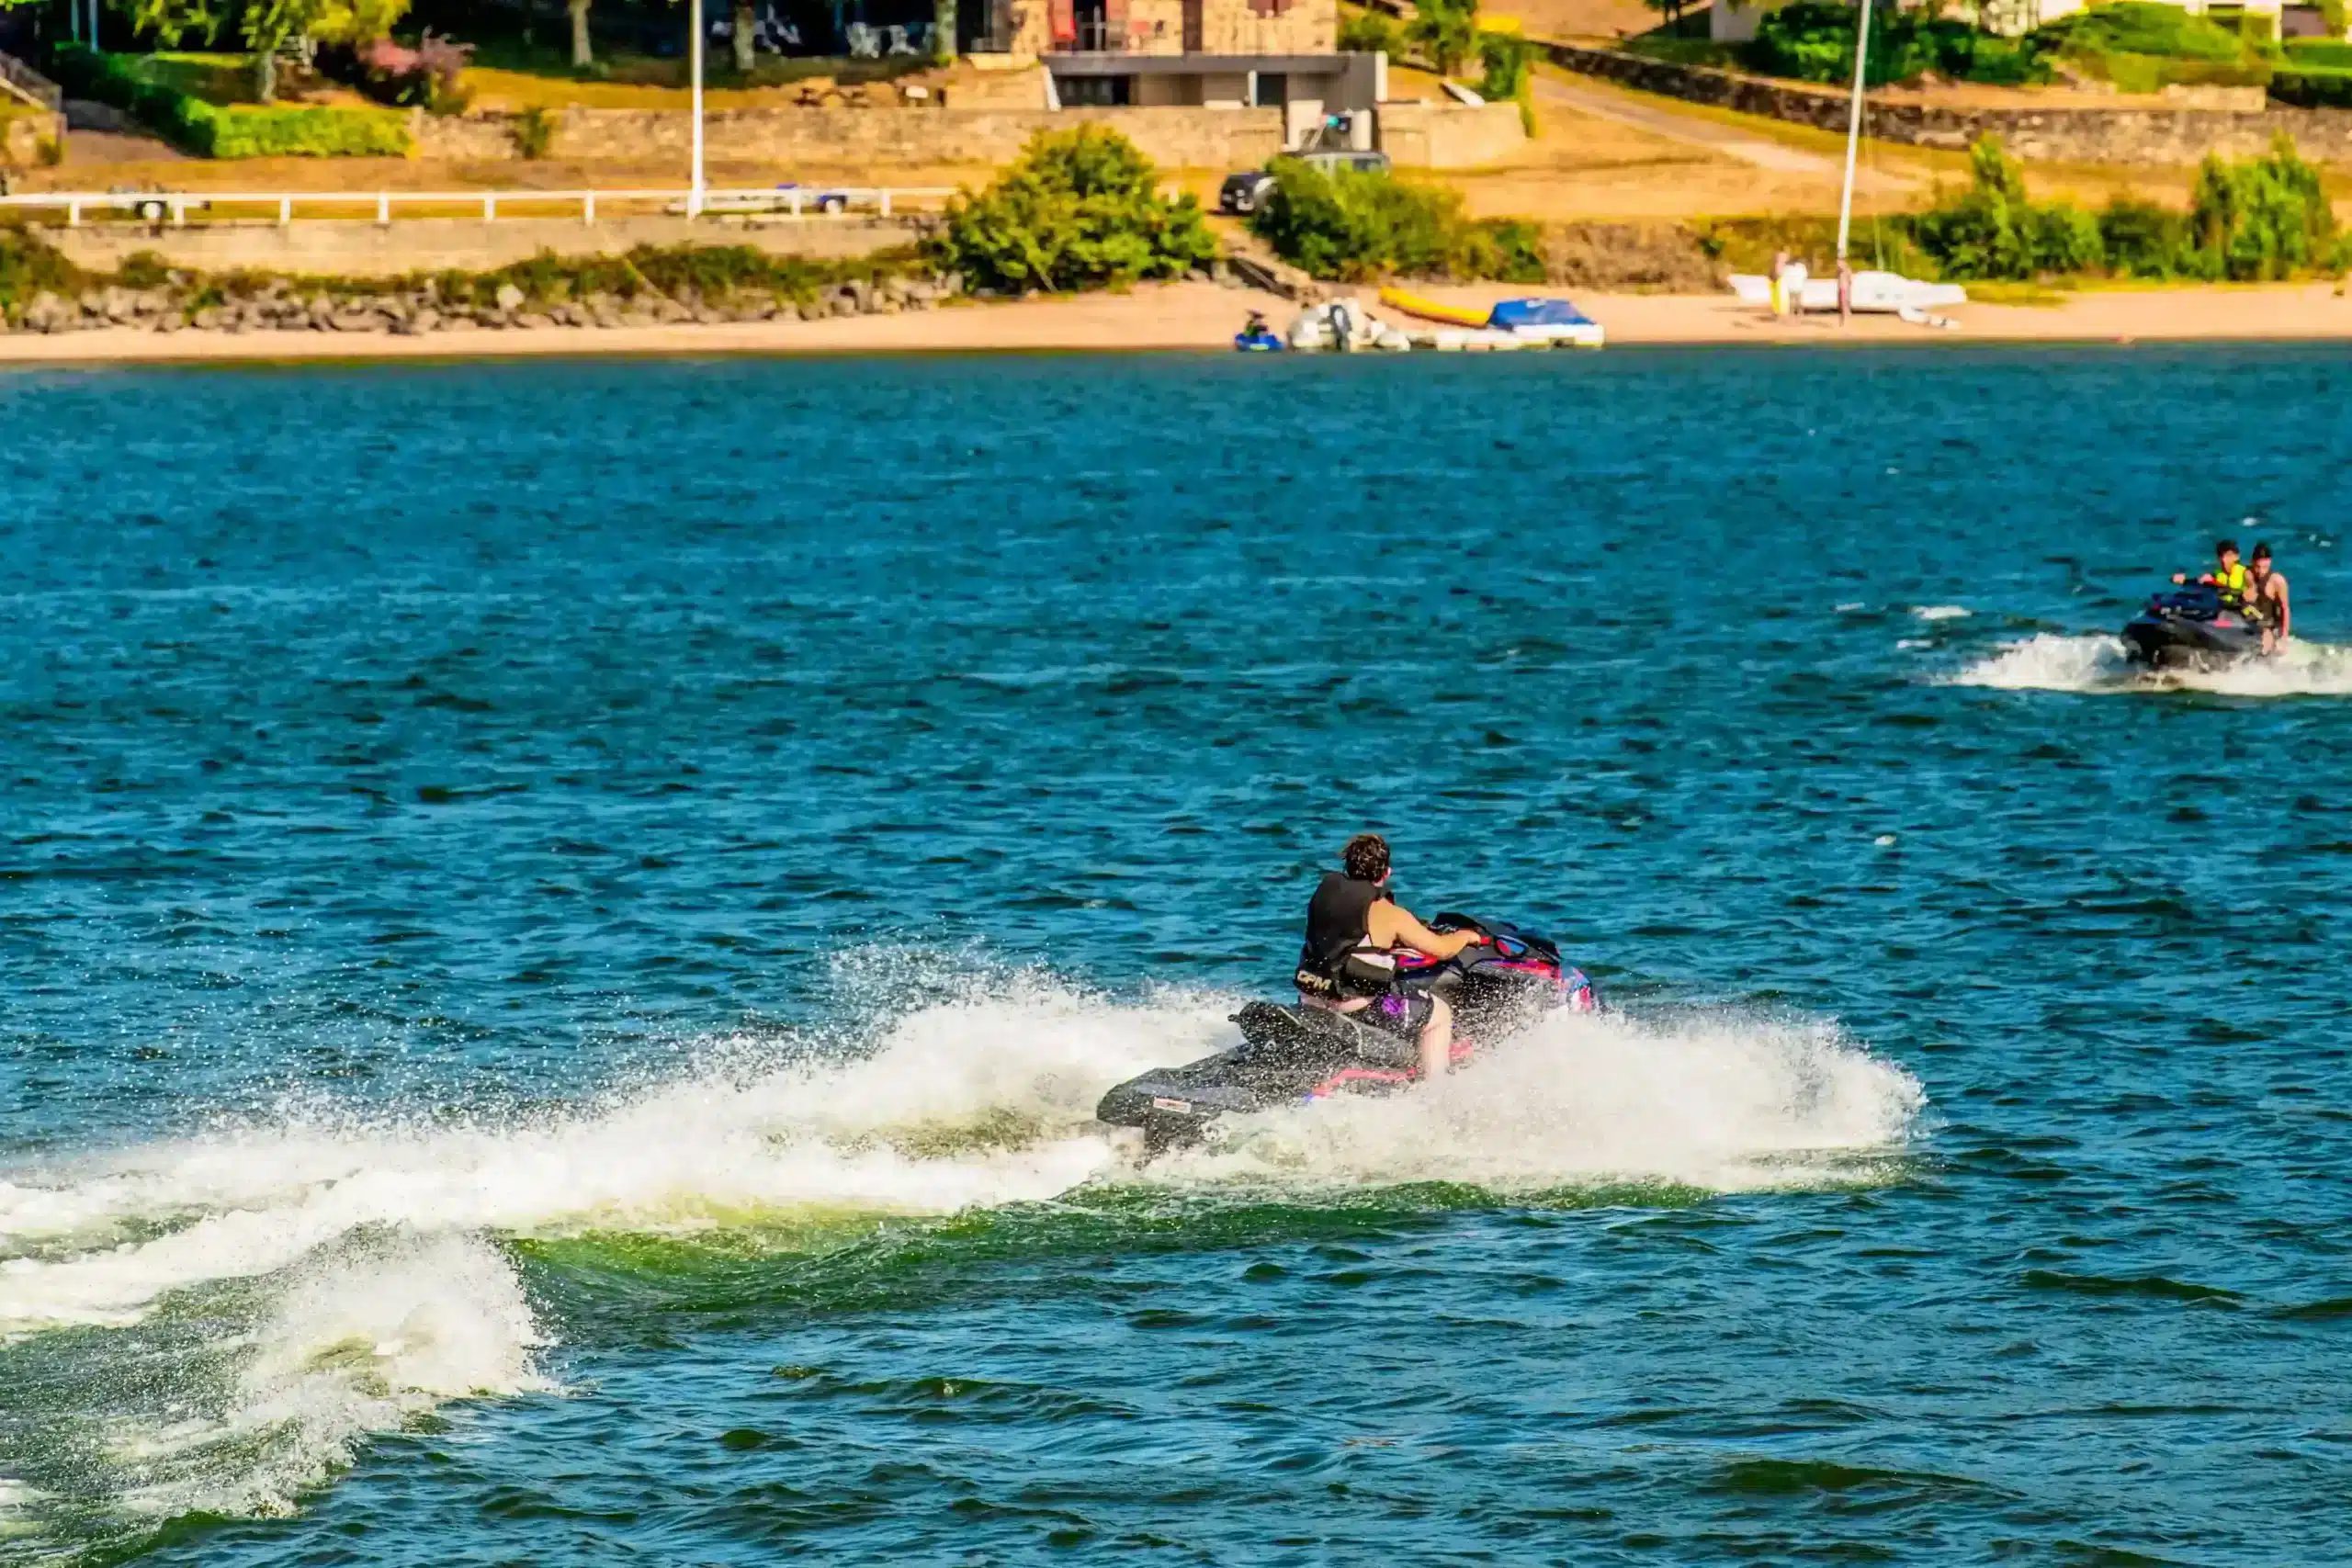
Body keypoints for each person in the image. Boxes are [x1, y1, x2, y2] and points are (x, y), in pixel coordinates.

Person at [1294, 833, 1487, 1083]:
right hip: (1353, 1005)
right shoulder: (1389, 913)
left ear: (1348, 867)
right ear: (1386, 872)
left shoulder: (1324, 894)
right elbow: (1442, 949)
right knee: (1439, 1014)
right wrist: (1465, 936)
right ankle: (1436, 1088)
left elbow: (1348, 938)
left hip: (1310, 997)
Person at [2173, 537, 2250, 612]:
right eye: (2221, 556)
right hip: (2224, 610)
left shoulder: (2246, 573)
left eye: (2228, 555)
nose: (2224, 559)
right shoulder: (2217, 574)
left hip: (2242, 611)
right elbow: (2202, 583)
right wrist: (2184, 581)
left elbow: (2244, 593)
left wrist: (2213, 582)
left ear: (2236, 557)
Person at [2248, 541, 2292, 651]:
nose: (2260, 571)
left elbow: (2285, 609)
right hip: (2248, 622)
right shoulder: (2247, 575)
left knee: (2266, 641)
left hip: (2269, 626)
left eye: (2265, 567)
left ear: (2270, 562)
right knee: (2221, 623)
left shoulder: (2277, 581)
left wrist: (2284, 636)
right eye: (2257, 567)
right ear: (2252, 562)